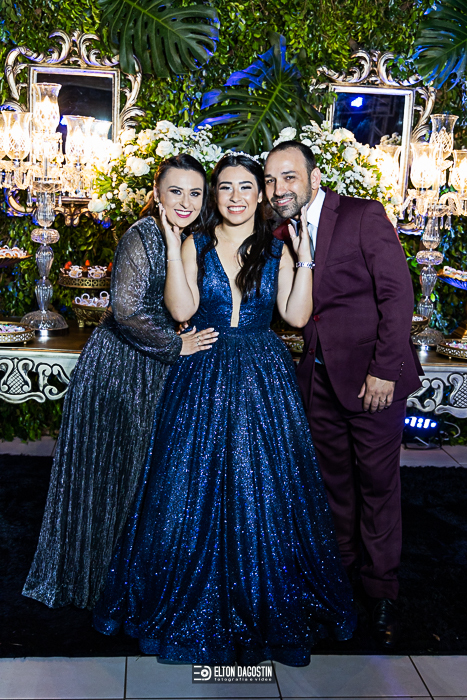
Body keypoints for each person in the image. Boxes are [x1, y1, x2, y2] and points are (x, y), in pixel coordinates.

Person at [93, 153, 356, 666]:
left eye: (246, 187)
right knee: (187, 489)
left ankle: (261, 596)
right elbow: (182, 310)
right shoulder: (196, 242)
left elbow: (296, 315)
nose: (236, 197)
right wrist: (175, 247)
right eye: (226, 188)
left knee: (264, 487)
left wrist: (305, 257)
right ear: (216, 195)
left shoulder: (278, 248)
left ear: (261, 195)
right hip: (204, 372)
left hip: (262, 377)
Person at [22, 154, 218, 610]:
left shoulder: (186, 236)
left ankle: (127, 584)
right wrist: (175, 345)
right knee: (113, 474)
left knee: (139, 475)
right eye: (175, 191)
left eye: (195, 193)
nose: (186, 202)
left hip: (150, 365)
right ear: (156, 194)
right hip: (119, 367)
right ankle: (94, 583)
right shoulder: (142, 234)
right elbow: (127, 311)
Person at [264, 140, 423, 648]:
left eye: (289, 177)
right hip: (319, 381)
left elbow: (397, 294)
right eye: (270, 180)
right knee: (332, 487)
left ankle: (380, 590)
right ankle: (339, 580)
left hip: (373, 381)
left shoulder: (361, 215)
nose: (278, 189)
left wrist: (385, 371)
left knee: (377, 486)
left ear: (314, 178)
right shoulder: (282, 231)